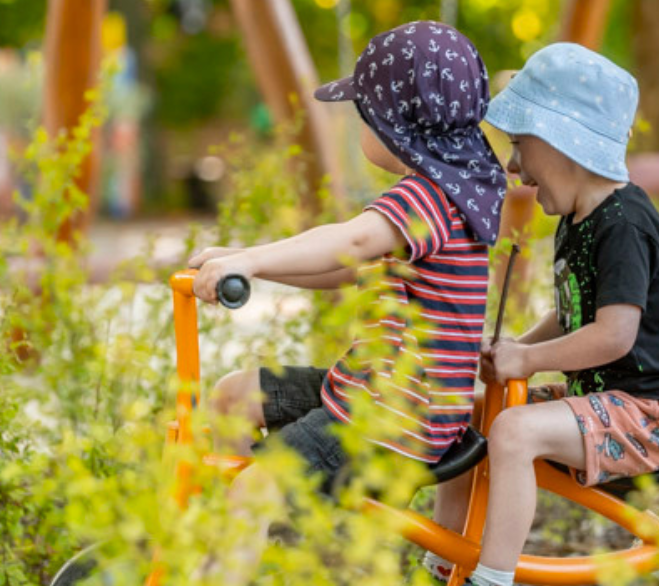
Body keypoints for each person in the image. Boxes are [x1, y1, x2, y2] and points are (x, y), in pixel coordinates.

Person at [416, 43, 659, 586]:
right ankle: (444, 568)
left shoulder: (623, 224)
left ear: (562, 140)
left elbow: (613, 336)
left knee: (515, 432)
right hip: (609, 400)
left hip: (654, 411)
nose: (513, 167)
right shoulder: (579, 218)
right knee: (470, 414)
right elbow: (576, 313)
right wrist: (517, 349)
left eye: (521, 146)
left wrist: (529, 363)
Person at [189, 21, 506, 493]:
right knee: (233, 396)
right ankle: (264, 538)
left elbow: (349, 243)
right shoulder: (439, 195)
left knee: (253, 489)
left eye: (364, 113)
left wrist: (250, 262)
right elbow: (343, 267)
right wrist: (245, 258)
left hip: (398, 417)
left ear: (394, 121)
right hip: (371, 390)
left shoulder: (428, 198)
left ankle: (244, 541)